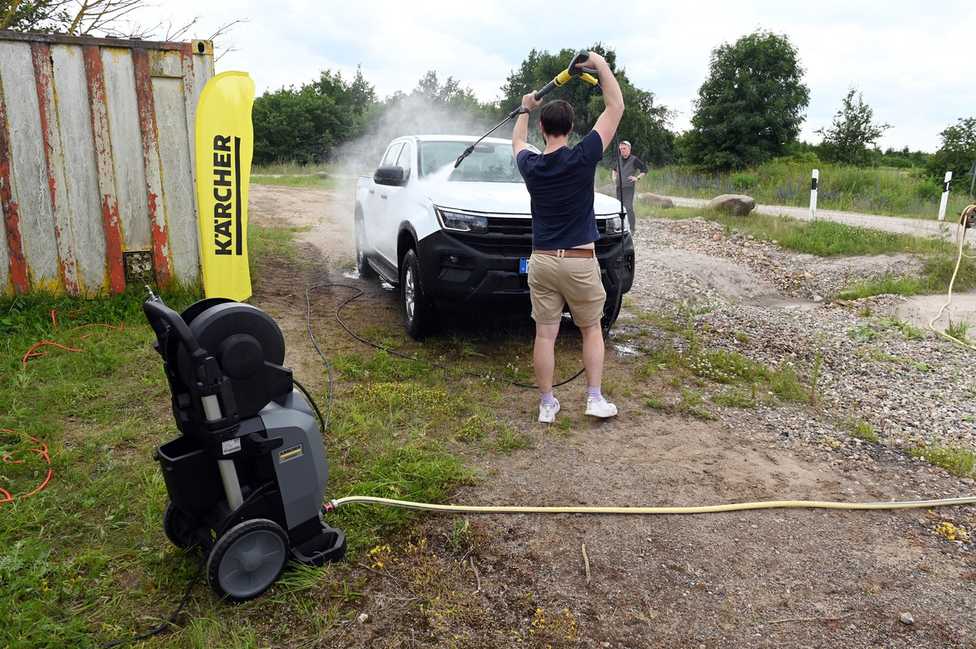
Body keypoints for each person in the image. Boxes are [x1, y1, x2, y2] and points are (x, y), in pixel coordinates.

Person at [511, 51, 624, 424]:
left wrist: (525, 108)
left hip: (542, 261)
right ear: (572, 127)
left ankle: (547, 405)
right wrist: (601, 67)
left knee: (545, 335)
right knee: (591, 329)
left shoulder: (531, 165)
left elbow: (517, 145)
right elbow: (615, 106)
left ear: (543, 128)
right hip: (578, 261)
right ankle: (593, 398)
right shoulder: (583, 155)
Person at [611, 140, 647, 232]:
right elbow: (614, 170)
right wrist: (614, 177)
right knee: (619, 207)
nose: (622, 150)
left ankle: (632, 228)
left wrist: (637, 178)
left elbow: (644, 170)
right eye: (621, 149)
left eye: (624, 148)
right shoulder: (618, 159)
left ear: (629, 149)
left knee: (628, 207)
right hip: (619, 187)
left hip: (629, 188)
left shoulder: (634, 159)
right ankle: (621, 227)